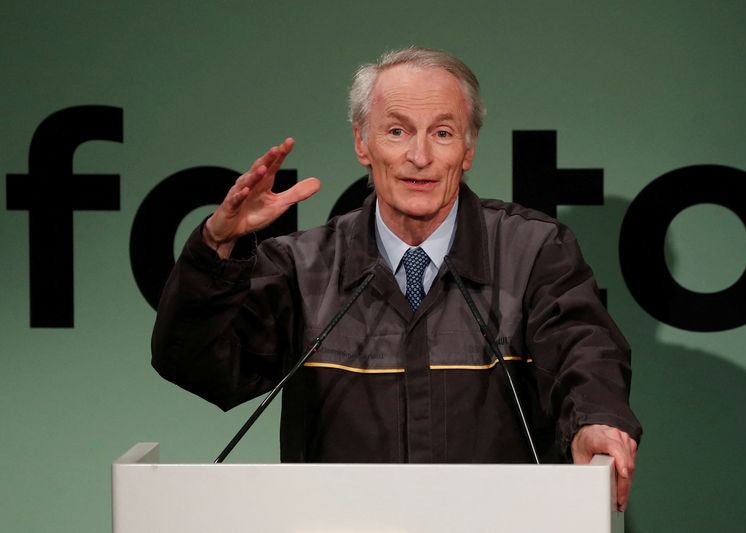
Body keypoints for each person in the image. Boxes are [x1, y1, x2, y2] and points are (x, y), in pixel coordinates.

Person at [152, 47, 641, 510]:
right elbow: (195, 362)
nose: (420, 157)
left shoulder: (533, 251)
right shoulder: (300, 267)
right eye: (398, 132)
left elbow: (586, 349)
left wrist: (596, 421)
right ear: (362, 143)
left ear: (468, 150)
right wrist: (215, 248)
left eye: (443, 133)